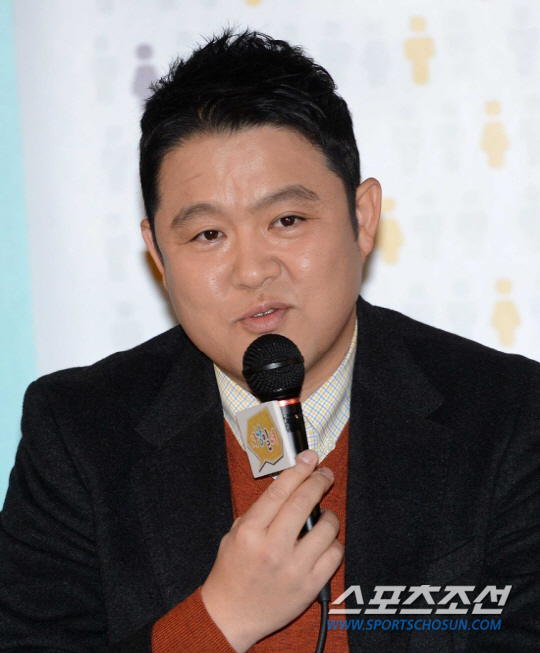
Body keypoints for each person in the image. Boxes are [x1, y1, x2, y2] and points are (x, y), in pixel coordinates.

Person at [1, 28, 540, 653]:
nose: (252, 270)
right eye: (208, 235)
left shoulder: (508, 415)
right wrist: (218, 620)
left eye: (286, 220)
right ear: (157, 253)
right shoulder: (79, 432)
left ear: (363, 218)